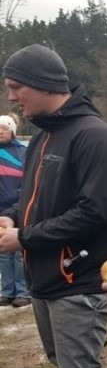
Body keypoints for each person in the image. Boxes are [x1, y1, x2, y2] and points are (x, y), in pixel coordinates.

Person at [0, 44, 107, 368]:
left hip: (80, 281)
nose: (11, 97)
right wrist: (11, 217)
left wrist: (23, 238)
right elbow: (34, 199)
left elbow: (94, 213)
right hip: (44, 281)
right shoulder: (42, 136)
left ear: (43, 83)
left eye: (17, 87)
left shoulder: (96, 137)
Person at [0, 114, 30, 307]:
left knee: (19, 251)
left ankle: (23, 291)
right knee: (3, 252)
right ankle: (7, 291)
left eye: (4, 128)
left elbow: (30, 180)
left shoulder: (23, 152)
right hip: (0, 211)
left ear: (12, 131)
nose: (0, 132)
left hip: (20, 208)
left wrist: (20, 203)